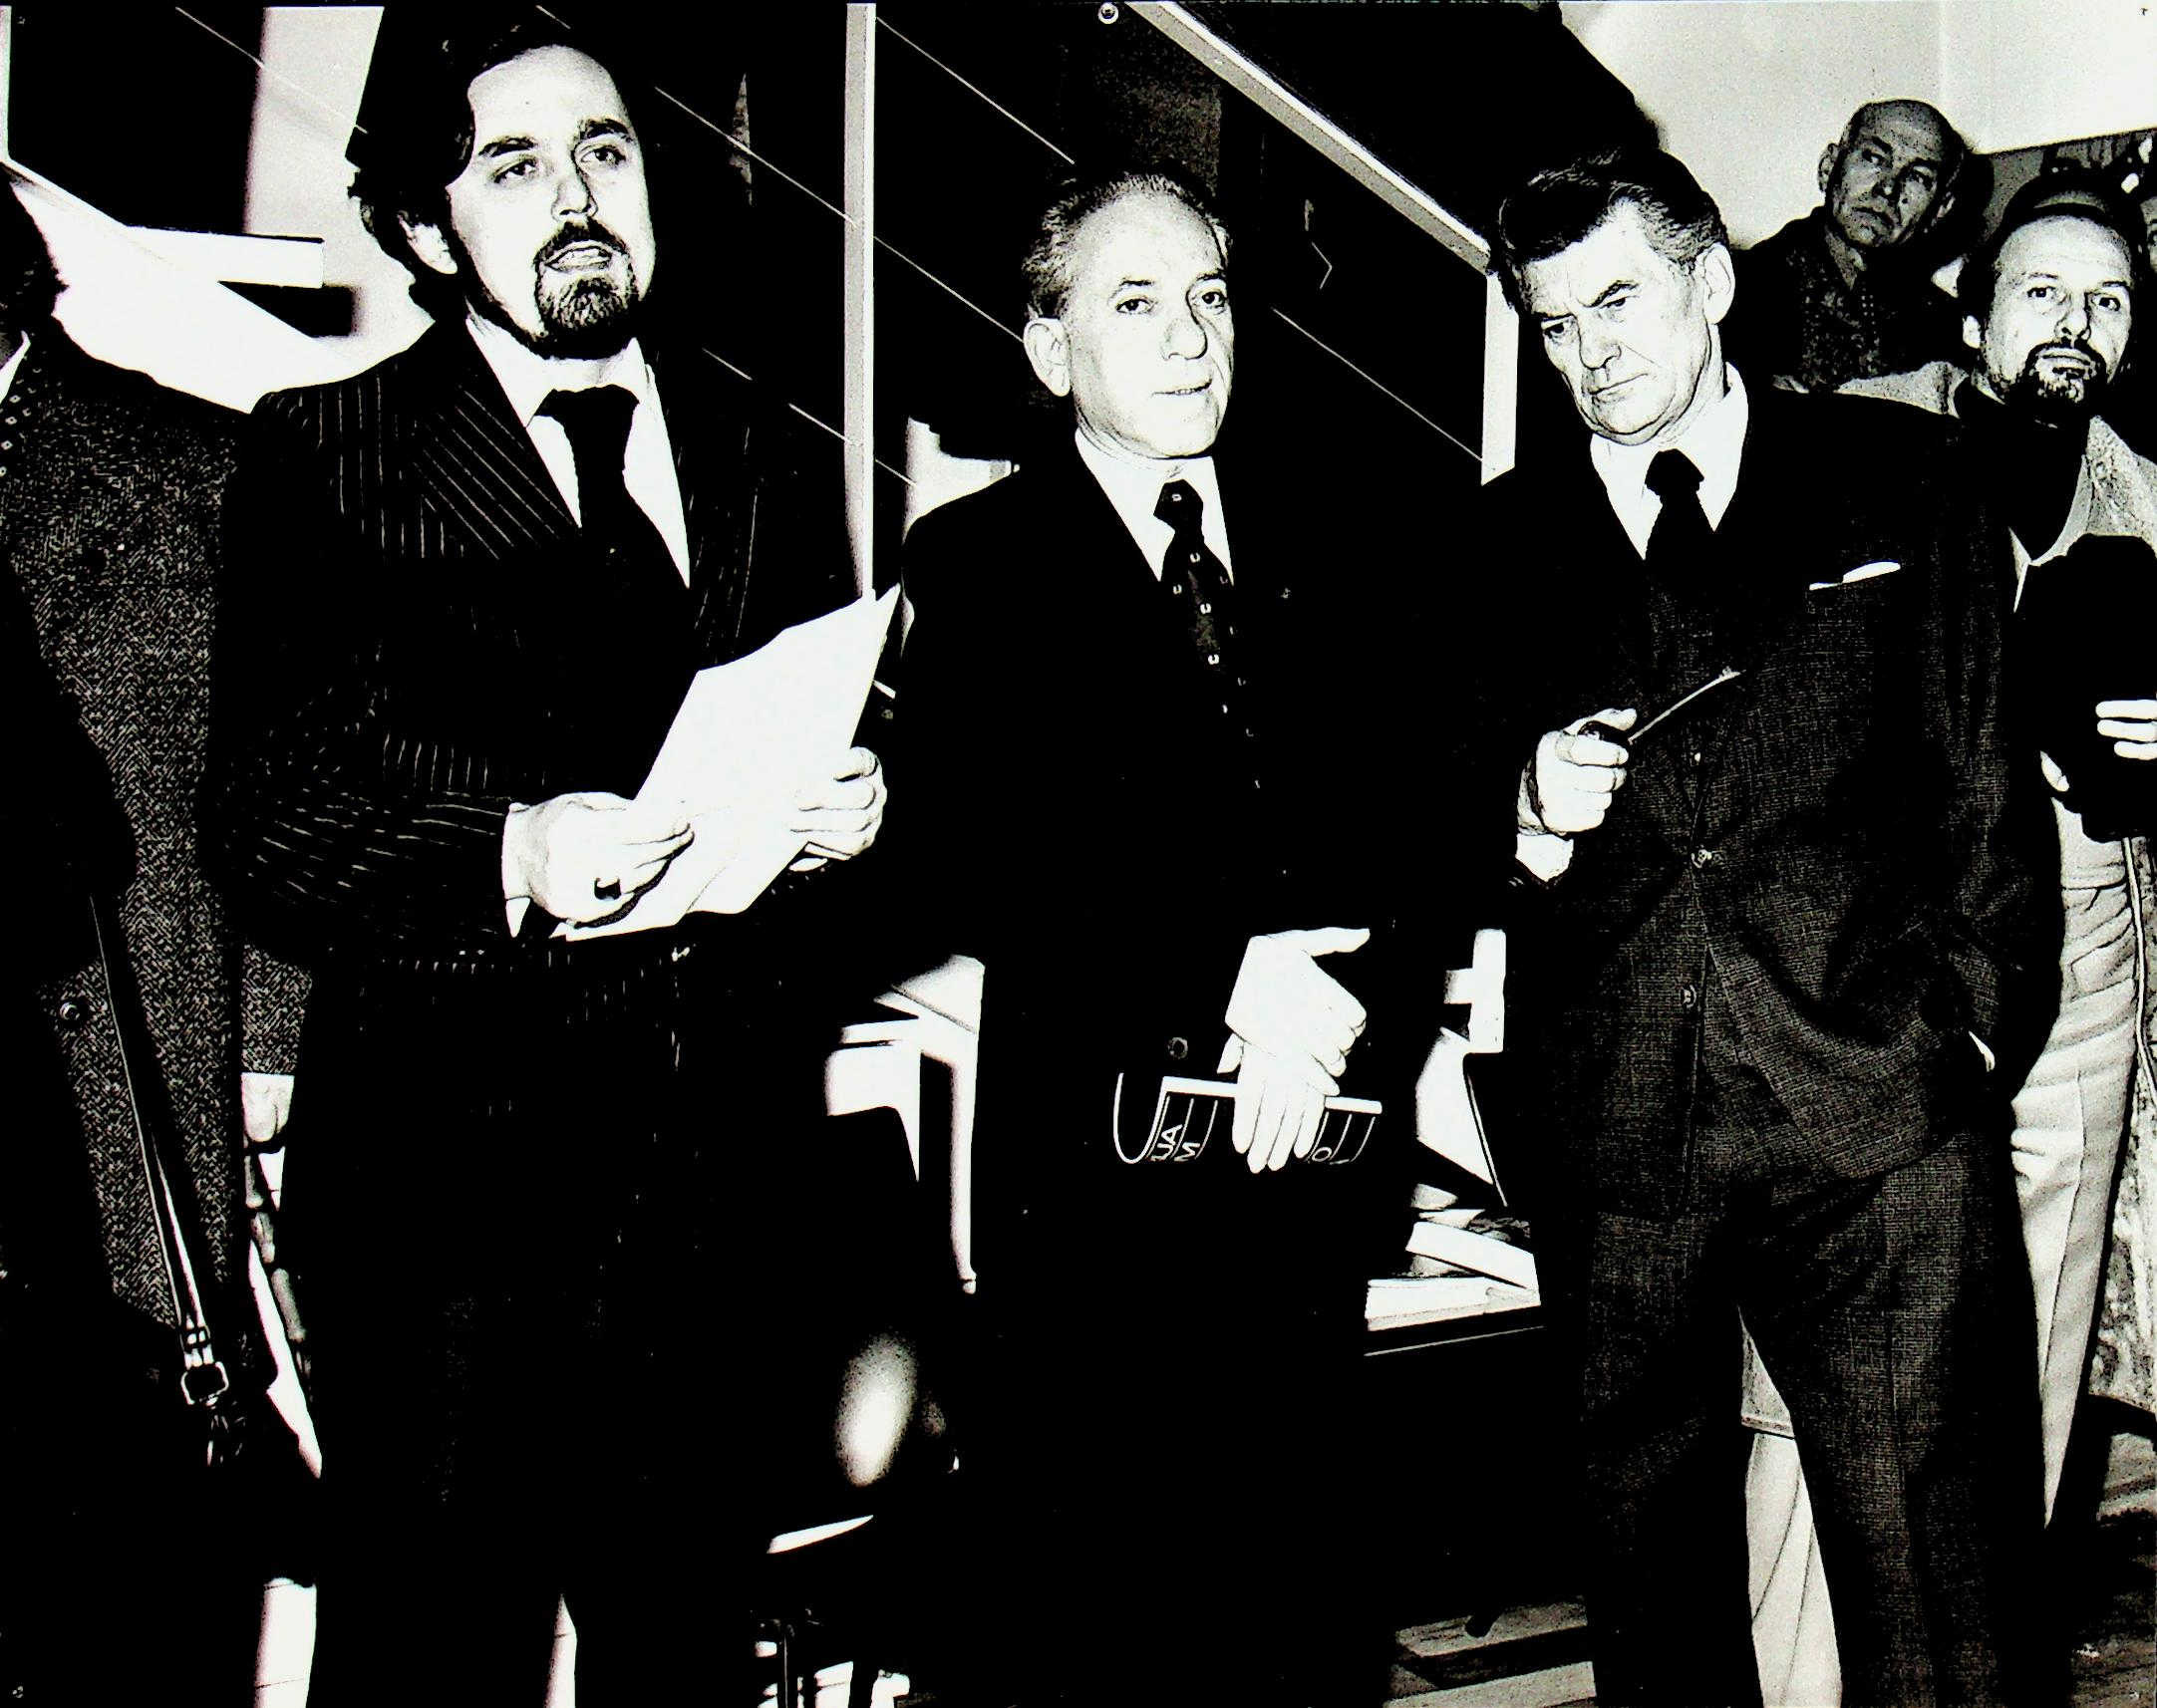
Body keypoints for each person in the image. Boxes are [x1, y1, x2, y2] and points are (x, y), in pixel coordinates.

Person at [202, 20, 889, 1702]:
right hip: (447, 1210)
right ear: (426, 228)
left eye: (605, 151)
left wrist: (860, 810)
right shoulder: (329, 448)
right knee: (435, 1666)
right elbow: (264, 819)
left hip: (715, 1195)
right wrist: (513, 848)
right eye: (512, 167)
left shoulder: (759, 443)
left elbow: (835, 757)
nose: (577, 197)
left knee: (682, 1659)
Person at [896, 167, 1490, 1706]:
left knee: (1299, 1635)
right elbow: (984, 859)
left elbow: (1433, 823)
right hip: (1101, 1223)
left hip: (1314, 1178)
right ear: (1050, 349)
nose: (1188, 337)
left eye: (1211, 298)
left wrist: (1333, 1017)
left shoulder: (1347, 539)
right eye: (1136, 302)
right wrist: (1227, 979)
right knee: (1109, 1644)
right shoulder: (975, 568)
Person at [1482, 145, 2058, 1706]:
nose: (1591, 353)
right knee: (1653, 1604)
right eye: (1553, 324)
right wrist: (1519, 806)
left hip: (1875, 1115)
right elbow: (1425, 811)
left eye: (1618, 301)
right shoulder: (1493, 544)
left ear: (1713, 279)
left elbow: (1987, 797)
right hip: (1618, 1139)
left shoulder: (1904, 481)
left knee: (1940, 1600)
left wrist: (1963, 1043)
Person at [1747, 169, 2157, 1701]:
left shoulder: (2147, 494)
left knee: (2033, 1357)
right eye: (2043, 289)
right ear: (1973, 312)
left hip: (2089, 957)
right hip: (1887, 966)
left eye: (2108, 299)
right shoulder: (1849, 446)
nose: (2075, 322)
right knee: (1834, 1360)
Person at [0, 177, 307, 1701]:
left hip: (124, 1115)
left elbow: (281, 778)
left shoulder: (191, 470)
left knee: (138, 1587)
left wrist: (271, 1047)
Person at [1728, 99, 1968, 392]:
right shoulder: (1740, 289)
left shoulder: (1943, 328)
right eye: (1874, 158)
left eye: (1918, 176)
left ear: (1941, 209)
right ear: (1828, 167)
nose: (1888, 188)